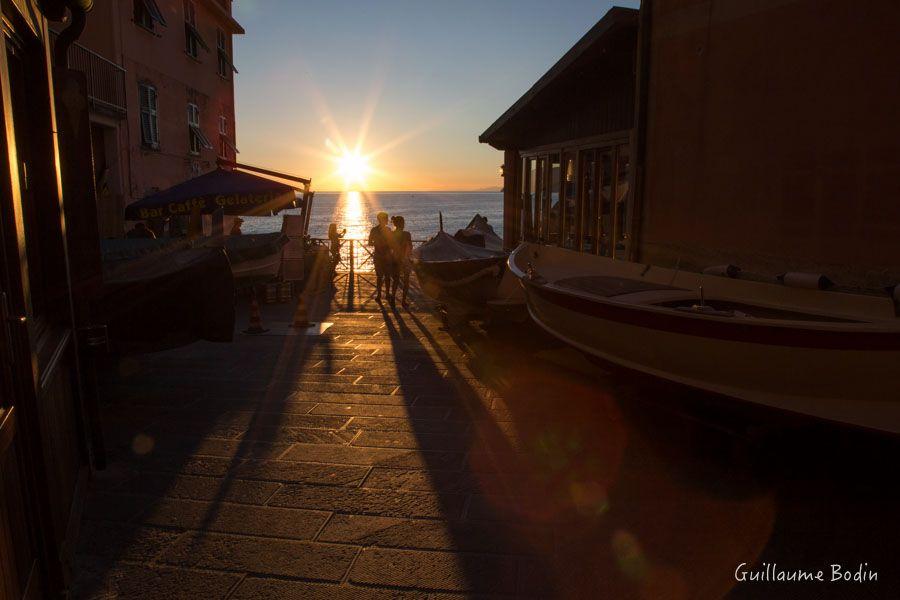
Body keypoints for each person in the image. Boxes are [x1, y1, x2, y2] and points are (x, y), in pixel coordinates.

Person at [368, 211, 392, 303]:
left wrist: (377, 243)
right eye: (386, 218)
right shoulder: (388, 230)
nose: (387, 220)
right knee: (386, 276)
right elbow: (391, 243)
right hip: (385, 255)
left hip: (378, 255)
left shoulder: (374, 230)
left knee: (380, 276)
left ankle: (379, 295)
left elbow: (370, 243)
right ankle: (386, 294)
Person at [390, 215, 412, 307]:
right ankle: (403, 301)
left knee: (395, 280)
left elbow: (390, 246)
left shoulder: (392, 234)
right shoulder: (407, 234)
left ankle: (393, 300)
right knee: (406, 281)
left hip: (394, 258)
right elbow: (410, 247)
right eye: (403, 222)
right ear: (401, 224)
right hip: (404, 259)